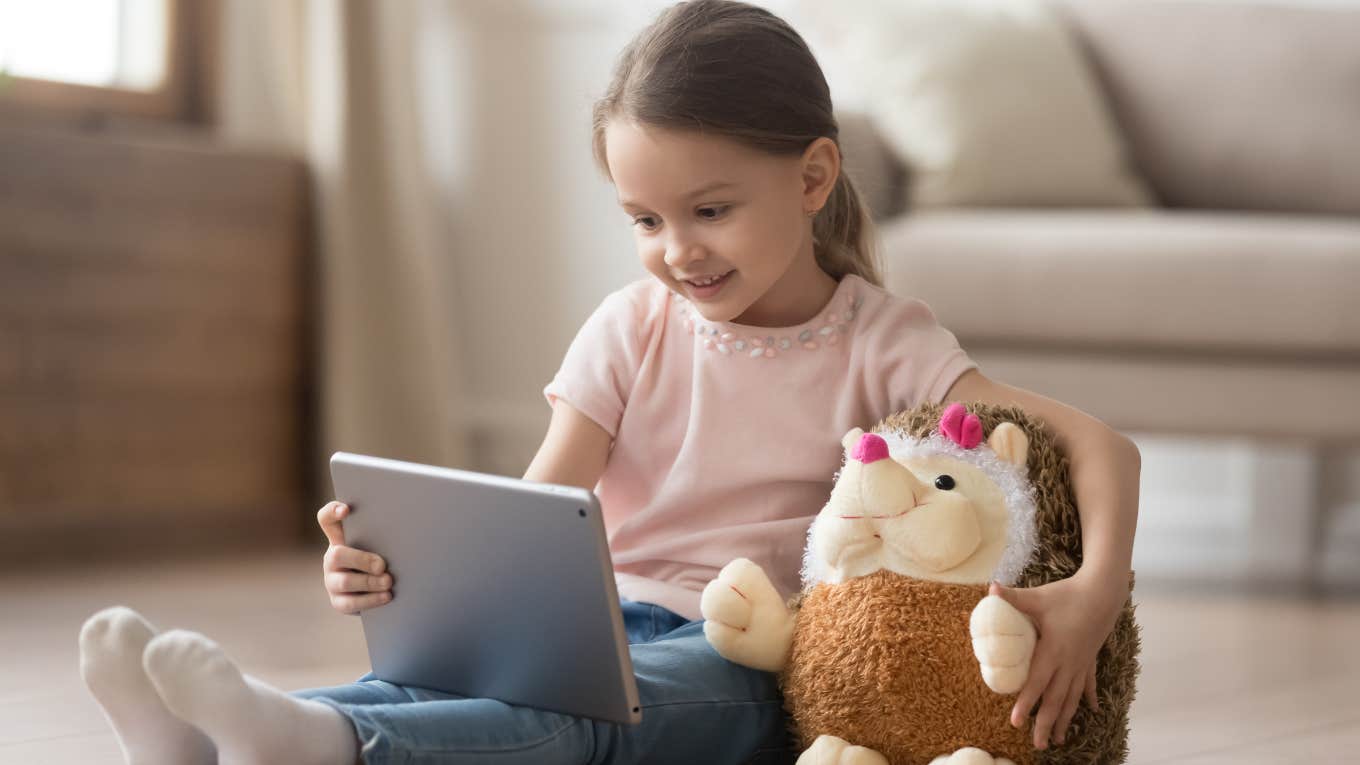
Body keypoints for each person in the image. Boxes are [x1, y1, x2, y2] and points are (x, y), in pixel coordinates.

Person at [75, 2, 1140, 763]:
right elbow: (540, 507)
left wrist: (1090, 596)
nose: (677, 250)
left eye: (709, 210)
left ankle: (319, 747)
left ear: (812, 179)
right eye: (644, 220)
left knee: (607, 724)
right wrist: (397, 568)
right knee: (457, 687)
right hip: (587, 622)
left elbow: (1103, 446)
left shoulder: (886, 342)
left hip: (747, 659)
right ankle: (213, 741)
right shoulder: (630, 326)